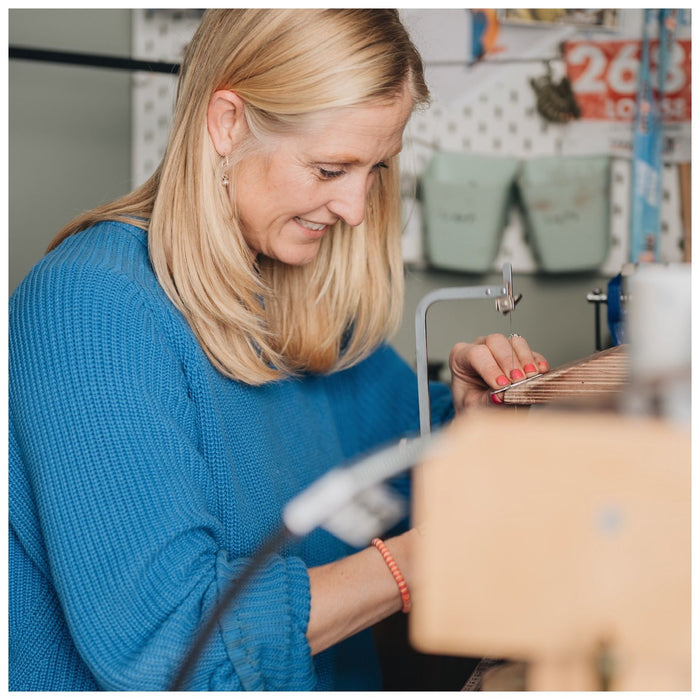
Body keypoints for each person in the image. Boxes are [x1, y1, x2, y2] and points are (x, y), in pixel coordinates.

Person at [9, 9, 549, 692]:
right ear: (227, 123)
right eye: (330, 168)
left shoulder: (295, 297)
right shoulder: (91, 308)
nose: (355, 206)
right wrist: (417, 563)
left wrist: (466, 428)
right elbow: (175, 645)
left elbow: (387, 471)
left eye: (376, 169)